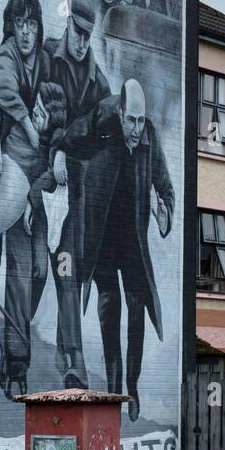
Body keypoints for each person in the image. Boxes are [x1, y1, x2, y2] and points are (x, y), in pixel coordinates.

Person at [49, 80, 174, 421]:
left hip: (132, 237)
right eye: (131, 120)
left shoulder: (149, 137)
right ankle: (114, 386)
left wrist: (165, 210)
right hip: (103, 232)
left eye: (140, 120)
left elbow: (164, 184)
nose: (136, 128)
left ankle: (131, 388)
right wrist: (60, 151)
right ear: (120, 112)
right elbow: (74, 133)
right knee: (110, 304)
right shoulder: (103, 120)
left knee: (137, 305)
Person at [0, 0, 52, 397]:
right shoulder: (6, 56)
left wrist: (49, 122)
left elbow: (60, 112)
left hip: (41, 182)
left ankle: (12, 337)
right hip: (13, 174)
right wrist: (3, 135)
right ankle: (16, 366)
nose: (26, 31)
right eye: (20, 22)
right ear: (11, 24)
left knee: (39, 272)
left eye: (32, 23)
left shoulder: (45, 63)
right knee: (20, 279)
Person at [43, 0, 110, 388]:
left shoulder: (97, 82)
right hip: (42, 181)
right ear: (67, 24)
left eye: (88, 35)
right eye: (77, 31)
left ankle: (68, 354)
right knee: (44, 273)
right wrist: (55, 151)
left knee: (69, 271)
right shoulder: (48, 58)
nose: (82, 41)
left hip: (75, 191)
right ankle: (67, 357)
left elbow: (102, 136)